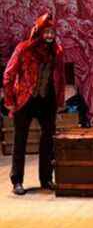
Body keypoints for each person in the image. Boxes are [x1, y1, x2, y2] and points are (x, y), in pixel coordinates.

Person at [3, 14, 65, 195]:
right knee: (20, 140)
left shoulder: (57, 51)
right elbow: (8, 75)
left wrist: (59, 101)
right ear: (38, 32)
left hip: (46, 99)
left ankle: (46, 179)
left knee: (48, 141)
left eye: (52, 32)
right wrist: (10, 101)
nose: (49, 36)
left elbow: (60, 77)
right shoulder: (23, 49)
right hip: (25, 99)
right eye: (46, 32)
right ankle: (17, 181)